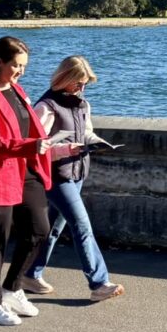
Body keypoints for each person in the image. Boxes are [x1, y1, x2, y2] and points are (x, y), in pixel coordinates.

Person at [0, 36, 68, 326]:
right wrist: (29, 146)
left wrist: (45, 144)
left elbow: (27, 128)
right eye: (16, 65)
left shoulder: (17, 90)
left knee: (39, 230)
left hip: (26, 172)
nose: (20, 71)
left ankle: (12, 288)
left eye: (23, 66)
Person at [22, 55, 125, 301]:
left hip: (77, 172)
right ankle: (99, 283)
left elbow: (86, 132)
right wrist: (67, 150)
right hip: (57, 176)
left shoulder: (82, 104)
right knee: (82, 226)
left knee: (53, 229)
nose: (82, 88)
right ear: (64, 79)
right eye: (78, 83)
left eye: (85, 83)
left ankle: (30, 275)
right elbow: (36, 145)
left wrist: (95, 141)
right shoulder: (46, 107)